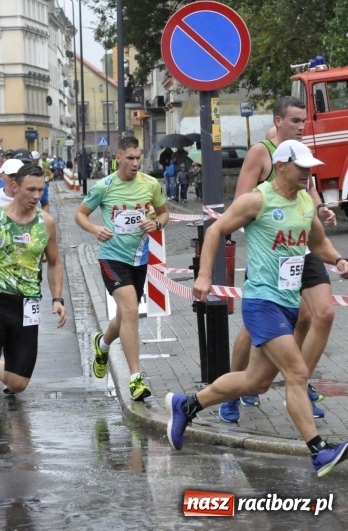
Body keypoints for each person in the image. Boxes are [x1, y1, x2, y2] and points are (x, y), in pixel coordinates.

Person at [167, 140, 348, 477]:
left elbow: (317, 241)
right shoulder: (258, 200)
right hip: (262, 302)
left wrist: (337, 259)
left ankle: (186, 405)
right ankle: (318, 451)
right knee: (297, 373)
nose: (308, 173)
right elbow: (216, 229)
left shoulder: (306, 201)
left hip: (289, 302)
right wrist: (204, 275)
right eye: (302, 167)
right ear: (281, 166)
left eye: (311, 167)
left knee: (256, 382)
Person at [218, 96, 337, 423]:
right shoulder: (262, 152)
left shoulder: (302, 153)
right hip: (271, 249)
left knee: (320, 315)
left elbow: (308, 192)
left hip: (303, 243)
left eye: (304, 121)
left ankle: (300, 382)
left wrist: (320, 209)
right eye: (296, 121)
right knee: (253, 328)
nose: (301, 127)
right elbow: (241, 201)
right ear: (279, 121)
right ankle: (233, 392)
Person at [0, 164, 67, 460]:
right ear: (15, 187)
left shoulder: (47, 223)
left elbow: (55, 262)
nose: (36, 195)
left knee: (18, 384)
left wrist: (58, 298)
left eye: (40, 190)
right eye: (31, 189)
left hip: (28, 306)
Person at [75, 136, 169, 401]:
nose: (136, 163)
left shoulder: (151, 184)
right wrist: (95, 228)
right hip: (111, 257)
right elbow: (79, 214)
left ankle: (102, 344)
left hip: (139, 258)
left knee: (124, 317)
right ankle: (136, 379)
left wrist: (157, 225)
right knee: (130, 311)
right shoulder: (104, 186)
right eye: (130, 158)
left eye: (139, 157)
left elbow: (164, 214)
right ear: (118, 158)